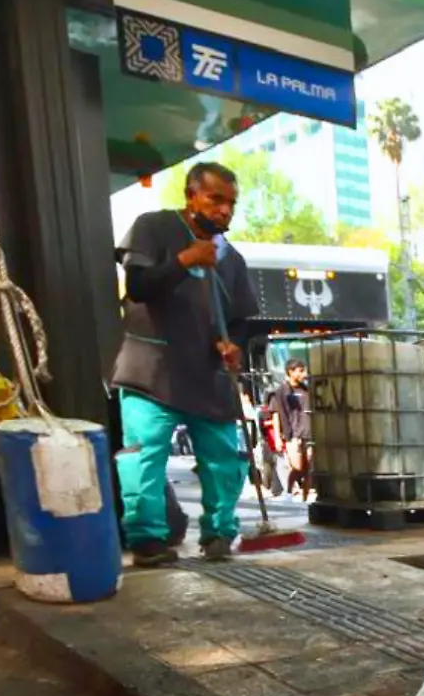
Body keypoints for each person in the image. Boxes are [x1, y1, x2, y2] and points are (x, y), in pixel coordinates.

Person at [110, 161, 260, 566]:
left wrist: (234, 344)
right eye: (215, 200)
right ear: (191, 195)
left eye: (231, 203)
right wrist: (183, 260)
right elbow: (139, 287)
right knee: (143, 459)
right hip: (150, 369)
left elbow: (243, 320)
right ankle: (147, 541)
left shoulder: (233, 260)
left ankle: (218, 534)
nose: (224, 210)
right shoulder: (152, 227)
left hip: (207, 375)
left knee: (224, 461)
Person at [265, 359, 315, 501]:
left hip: (307, 432)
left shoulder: (306, 390)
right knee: (298, 467)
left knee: (308, 469)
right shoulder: (281, 391)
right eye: (299, 371)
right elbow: (275, 414)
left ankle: (305, 498)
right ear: (291, 372)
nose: (302, 374)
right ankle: (289, 490)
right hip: (292, 434)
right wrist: (278, 437)